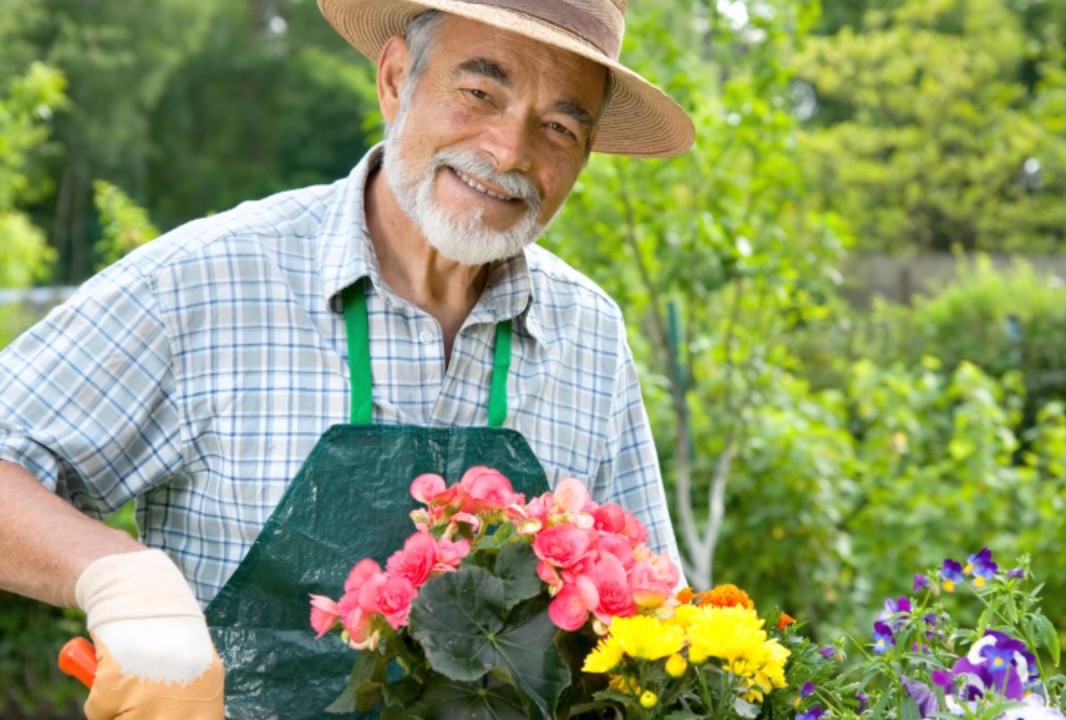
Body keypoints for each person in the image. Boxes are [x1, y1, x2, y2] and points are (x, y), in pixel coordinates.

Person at [0, 0, 693, 716]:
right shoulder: (207, 281)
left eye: (558, 126)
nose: (510, 151)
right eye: (480, 93)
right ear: (395, 79)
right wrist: (121, 580)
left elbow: (653, 609)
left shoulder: (589, 334)